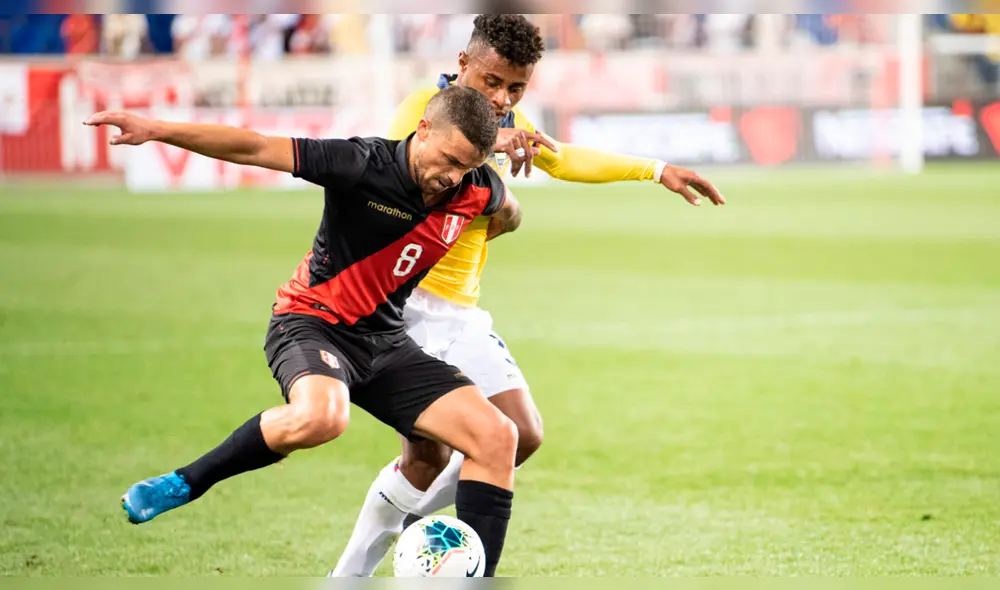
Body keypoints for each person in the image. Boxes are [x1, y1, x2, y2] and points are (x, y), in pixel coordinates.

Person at [332, 14, 725, 577]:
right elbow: (399, 171)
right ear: (463, 63)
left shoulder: (511, 121)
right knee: (426, 457)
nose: (502, 98)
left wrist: (655, 169)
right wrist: (487, 145)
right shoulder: (423, 108)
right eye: (491, 81)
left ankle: (418, 528)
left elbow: (562, 158)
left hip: (461, 313)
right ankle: (350, 574)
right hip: (402, 307)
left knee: (521, 433)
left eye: (516, 88)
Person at [85, 84, 523, 578]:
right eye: (450, 160)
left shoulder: (476, 187)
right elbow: (254, 146)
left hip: (386, 341)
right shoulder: (360, 164)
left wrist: (495, 218)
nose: (453, 177)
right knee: (322, 418)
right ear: (422, 129)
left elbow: (509, 211)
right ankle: (186, 481)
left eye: (467, 166)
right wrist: (157, 129)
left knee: (498, 436)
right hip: (311, 323)